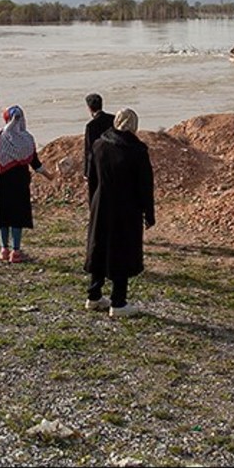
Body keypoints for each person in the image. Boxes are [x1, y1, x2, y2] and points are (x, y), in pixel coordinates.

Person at [84, 108, 154, 318]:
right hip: (126, 208)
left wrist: (93, 204)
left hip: (101, 203)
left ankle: (94, 296)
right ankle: (119, 302)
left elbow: (92, 178)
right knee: (121, 251)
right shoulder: (137, 150)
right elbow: (145, 185)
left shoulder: (99, 144)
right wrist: (149, 213)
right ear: (133, 125)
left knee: (99, 246)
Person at [0, 105, 52, 263]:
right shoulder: (27, 139)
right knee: (17, 216)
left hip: (1, 181)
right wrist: (48, 175)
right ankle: (16, 251)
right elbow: (35, 163)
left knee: (3, 214)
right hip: (20, 182)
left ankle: (3, 249)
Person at [82, 93, 114, 205]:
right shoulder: (113, 119)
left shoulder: (91, 126)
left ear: (89, 108)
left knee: (96, 195)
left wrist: (87, 172)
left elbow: (89, 150)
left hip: (97, 164)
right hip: (113, 161)